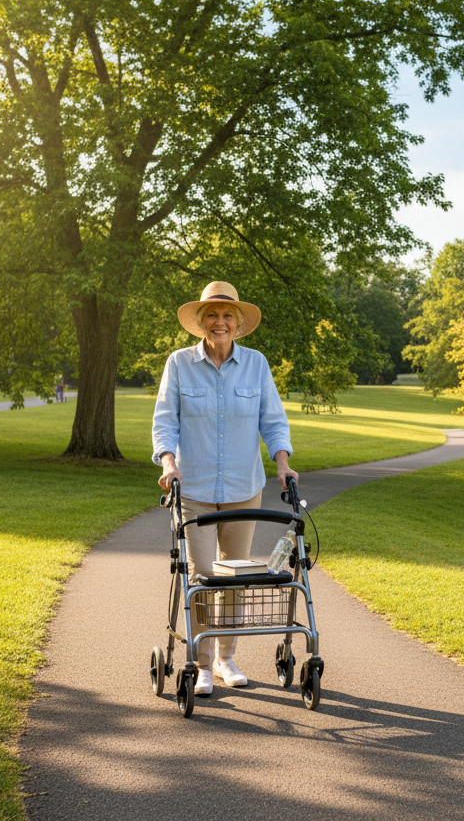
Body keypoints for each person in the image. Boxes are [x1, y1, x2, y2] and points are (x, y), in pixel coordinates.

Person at [152, 281, 298, 697]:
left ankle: (225, 659)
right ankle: (200, 663)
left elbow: (273, 421)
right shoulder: (179, 364)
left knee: (235, 575)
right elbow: (165, 420)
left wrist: (283, 462)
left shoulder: (256, 364)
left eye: (227, 316)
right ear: (201, 321)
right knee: (201, 576)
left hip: (242, 486)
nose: (220, 322)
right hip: (193, 487)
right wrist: (168, 461)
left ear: (237, 323)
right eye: (212, 315)